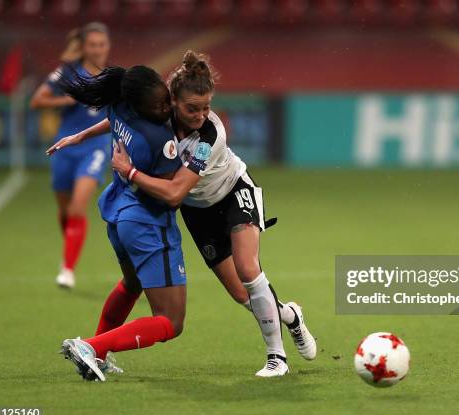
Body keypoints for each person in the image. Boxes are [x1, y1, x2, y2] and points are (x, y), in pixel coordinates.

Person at [52, 51, 317, 377]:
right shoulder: (160, 114)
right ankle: (290, 316)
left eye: (206, 107)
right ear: (172, 101)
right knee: (239, 294)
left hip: (233, 192)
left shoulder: (209, 135)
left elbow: (176, 191)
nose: (201, 115)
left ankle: (277, 358)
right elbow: (121, 120)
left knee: (248, 270)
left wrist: (130, 171)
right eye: (192, 108)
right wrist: (83, 135)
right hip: (198, 210)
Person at [48, 64, 198, 381]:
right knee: (171, 320)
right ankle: (88, 346)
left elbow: (112, 121)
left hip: (119, 214)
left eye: (167, 100)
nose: (166, 108)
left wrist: (82, 135)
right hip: (148, 224)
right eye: (159, 105)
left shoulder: (120, 107)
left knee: (132, 284)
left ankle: (97, 354)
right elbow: (173, 194)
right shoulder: (160, 139)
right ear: (140, 105)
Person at [30, 22, 112, 289]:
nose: (98, 50)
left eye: (102, 44)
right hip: (64, 146)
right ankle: (70, 250)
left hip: (96, 147)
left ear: (107, 46)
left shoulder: (112, 78)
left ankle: (67, 269)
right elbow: (37, 100)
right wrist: (66, 101)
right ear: (84, 47)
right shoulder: (66, 73)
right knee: (65, 212)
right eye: (93, 45)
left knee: (78, 207)